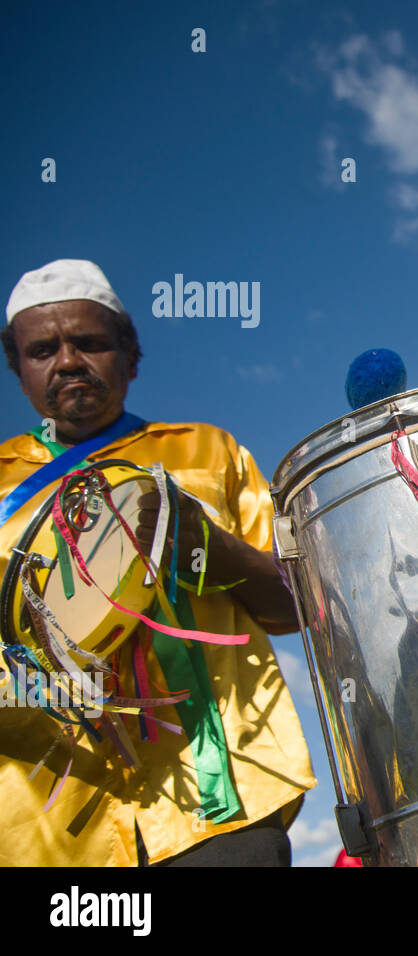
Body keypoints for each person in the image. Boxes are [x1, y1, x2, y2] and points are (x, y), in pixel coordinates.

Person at [0, 259, 315, 866]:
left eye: (89, 343)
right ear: (19, 371)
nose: (68, 361)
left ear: (130, 356)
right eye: (43, 350)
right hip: (50, 833)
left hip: (221, 809)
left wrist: (204, 543)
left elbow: (294, 607)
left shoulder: (207, 453)